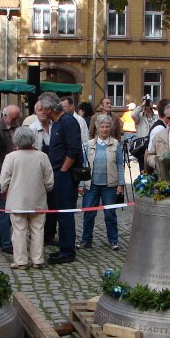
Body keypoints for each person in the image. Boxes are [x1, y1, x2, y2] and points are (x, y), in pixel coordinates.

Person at [0, 126, 54, 269]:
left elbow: (3, 180)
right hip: (38, 200)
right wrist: (43, 191)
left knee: (18, 231)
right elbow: (49, 181)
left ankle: (21, 261)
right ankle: (37, 259)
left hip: (17, 200)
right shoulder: (42, 156)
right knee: (38, 230)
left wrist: (4, 191)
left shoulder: (10, 157)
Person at [41, 92, 82, 264]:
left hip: (64, 176)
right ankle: (64, 247)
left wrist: (63, 172)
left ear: (50, 109)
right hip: (57, 174)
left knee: (65, 214)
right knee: (60, 213)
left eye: (43, 108)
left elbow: (73, 150)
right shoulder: (56, 124)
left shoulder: (67, 122)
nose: (41, 112)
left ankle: (67, 252)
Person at [77, 114, 125, 251]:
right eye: (102, 126)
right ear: (97, 128)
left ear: (111, 128)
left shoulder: (116, 145)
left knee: (110, 214)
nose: (105, 129)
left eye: (107, 126)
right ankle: (86, 240)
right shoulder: (89, 144)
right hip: (91, 185)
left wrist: (121, 184)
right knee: (88, 213)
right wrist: (81, 184)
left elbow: (120, 165)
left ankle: (113, 240)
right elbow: (84, 166)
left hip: (109, 185)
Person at [0, 105, 21, 254]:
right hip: (2, 176)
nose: (16, 121)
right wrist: (3, 178)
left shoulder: (17, 126)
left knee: (10, 209)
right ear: (5, 115)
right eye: (13, 118)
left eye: (17, 118)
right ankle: (6, 243)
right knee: (4, 210)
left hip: (16, 175)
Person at [29, 101, 57, 246]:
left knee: (53, 204)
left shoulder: (55, 127)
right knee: (37, 205)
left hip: (54, 170)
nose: (43, 112)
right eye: (39, 110)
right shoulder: (32, 129)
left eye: (45, 109)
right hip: (38, 172)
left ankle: (50, 234)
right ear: (36, 112)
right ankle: (35, 235)